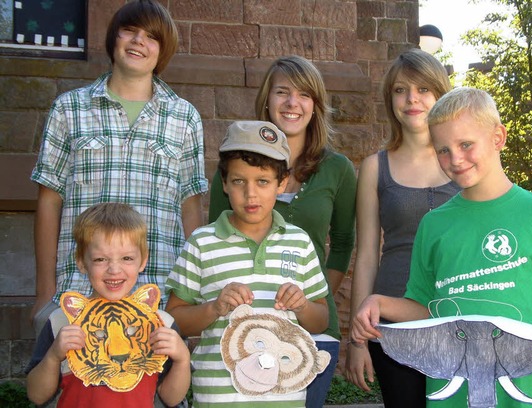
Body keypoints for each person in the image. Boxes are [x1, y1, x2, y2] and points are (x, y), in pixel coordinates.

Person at [350, 87, 532, 407]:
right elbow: (429, 308)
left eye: (466, 144)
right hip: (450, 394)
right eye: (442, 150)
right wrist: (379, 303)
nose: (454, 159)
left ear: (498, 137)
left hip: (523, 395)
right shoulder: (433, 224)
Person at [30, 0, 208, 337]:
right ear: (114, 38)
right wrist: (44, 294)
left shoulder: (184, 117)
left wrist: (187, 298)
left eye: (151, 37)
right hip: (79, 295)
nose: (139, 41)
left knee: (155, 391)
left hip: (156, 296)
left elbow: (190, 209)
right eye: (131, 30)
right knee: (75, 390)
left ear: (163, 51)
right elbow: (49, 202)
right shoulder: (69, 109)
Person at [208, 55, 357, 408]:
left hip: (312, 330)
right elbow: (215, 236)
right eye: (282, 92)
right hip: (243, 325)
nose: (292, 103)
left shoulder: (337, 169)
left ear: (316, 105)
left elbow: (343, 243)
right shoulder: (232, 165)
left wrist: (315, 299)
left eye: (304, 95)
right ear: (266, 99)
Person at [165, 120, 330, 407]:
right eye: (239, 181)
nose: (250, 193)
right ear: (225, 184)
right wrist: (214, 307)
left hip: (286, 399)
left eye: (262, 181)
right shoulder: (201, 244)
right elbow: (175, 320)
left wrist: (303, 305)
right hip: (218, 398)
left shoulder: (299, 243)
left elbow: (322, 319)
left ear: (282, 183)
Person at [345, 49, 459, 407]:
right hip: (393, 326)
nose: (412, 98)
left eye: (424, 88)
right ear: (389, 98)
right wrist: (357, 340)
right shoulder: (374, 167)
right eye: (400, 89)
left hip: (459, 320)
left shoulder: (465, 161)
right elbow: (365, 256)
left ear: (441, 94)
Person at [26, 203, 191, 407]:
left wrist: (182, 359)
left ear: (143, 261)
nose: (114, 269)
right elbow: (36, 395)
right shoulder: (60, 321)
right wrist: (52, 357)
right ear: (81, 261)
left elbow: (171, 398)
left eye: (127, 258)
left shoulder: (161, 322)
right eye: (100, 259)